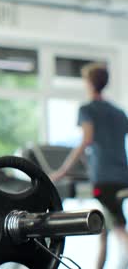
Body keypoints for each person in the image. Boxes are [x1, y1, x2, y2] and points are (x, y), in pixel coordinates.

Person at [50, 63, 128, 269]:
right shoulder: (120, 113)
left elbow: (86, 141)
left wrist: (61, 172)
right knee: (106, 226)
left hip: (104, 177)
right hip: (122, 175)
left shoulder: (87, 110)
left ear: (90, 83)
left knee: (119, 228)